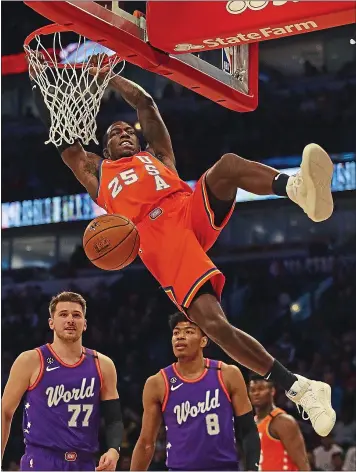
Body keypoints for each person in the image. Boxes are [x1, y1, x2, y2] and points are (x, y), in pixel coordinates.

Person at [30, 59, 336, 437]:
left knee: (226, 166)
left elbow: (146, 104)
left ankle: (296, 189)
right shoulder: (99, 175)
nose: (124, 131)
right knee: (214, 325)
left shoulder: (158, 158)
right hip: (156, 239)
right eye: (114, 131)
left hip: (186, 209)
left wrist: (109, 77)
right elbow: (65, 144)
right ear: (104, 148)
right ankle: (301, 388)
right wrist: (43, 84)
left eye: (128, 130)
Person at [1, 291, 123, 471]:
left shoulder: (103, 365)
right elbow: (5, 412)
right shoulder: (31, 360)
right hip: (42, 460)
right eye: (63, 314)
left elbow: (113, 418)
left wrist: (114, 450)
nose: (70, 320)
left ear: (85, 324)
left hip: (84, 462)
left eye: (76, 315)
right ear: (51, 323)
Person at [131, 312, 260, 471]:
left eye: (189, 332)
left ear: (203, 340)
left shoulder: (227, 374)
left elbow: (248, 430)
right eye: (176, 332)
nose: (180, 336)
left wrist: (252, 469)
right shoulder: (157, 383)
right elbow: (146, 443)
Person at [249, 375, 310, 471]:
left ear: (272, 391)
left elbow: (303, 463)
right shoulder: (250, 424)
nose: (256, 393)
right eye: (252, 390)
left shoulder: (283, 422)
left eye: (261, 389)